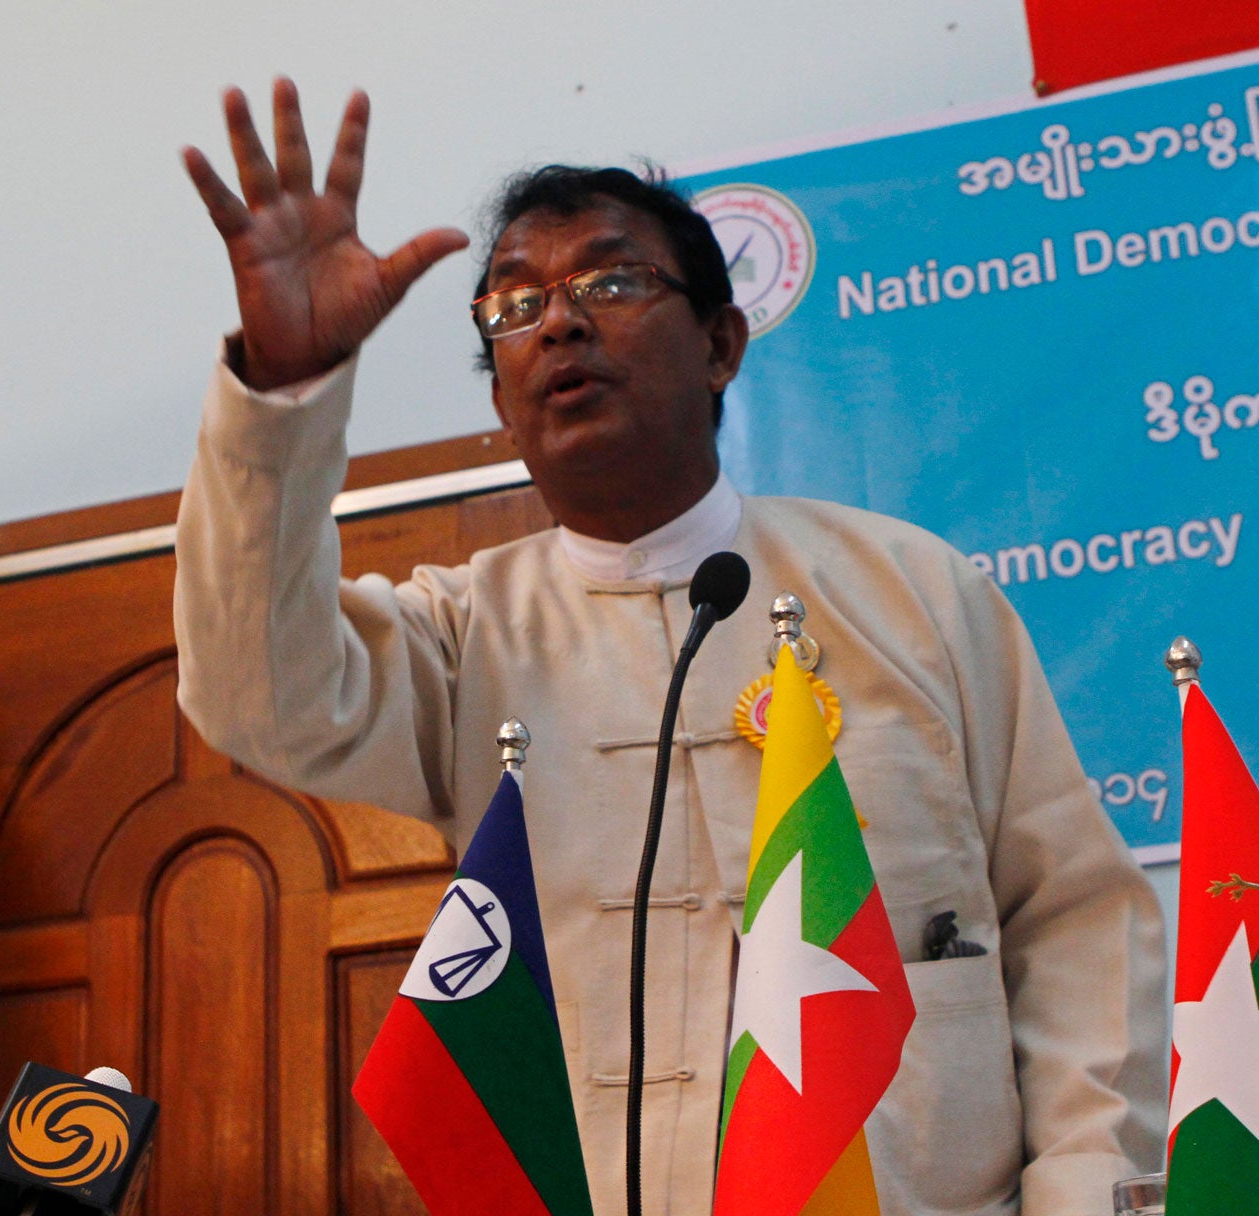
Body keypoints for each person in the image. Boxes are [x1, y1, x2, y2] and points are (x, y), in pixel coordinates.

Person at [173, 78, 1167, 1215]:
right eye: (512, 305)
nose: (559, 321)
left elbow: (1076, 920)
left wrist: (1087, 1194)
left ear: (721, 344)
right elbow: (255, 687)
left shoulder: (916, 592)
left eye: (611, 279)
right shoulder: (457, 639)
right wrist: (285, 386)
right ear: (502, 398)